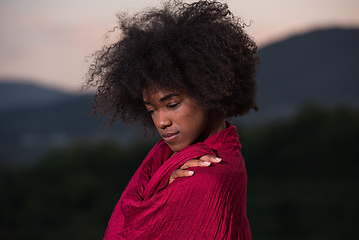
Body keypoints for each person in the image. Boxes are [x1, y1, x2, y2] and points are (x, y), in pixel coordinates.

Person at [86, 0, 259, 239]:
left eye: (172, 104)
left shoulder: (200, 179)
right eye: (151, 110)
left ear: (210, 92)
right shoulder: (220, 149)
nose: (161, 122)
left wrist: (174, 193)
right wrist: (165, 188)